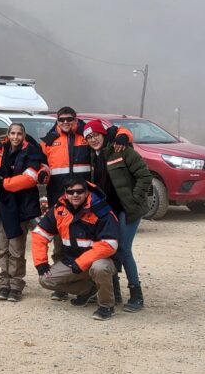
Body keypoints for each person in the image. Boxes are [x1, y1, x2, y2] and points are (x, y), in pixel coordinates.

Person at [30, 176, 121, 320]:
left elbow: (109, 244)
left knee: (99, 268)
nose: (75, 195)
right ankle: (89, 289)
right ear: (65, 193)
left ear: (86, 192)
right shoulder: (59, 209)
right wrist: (40, 262)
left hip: (100, 260)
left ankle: (106, 306)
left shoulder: (101, 210)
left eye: (79, 191)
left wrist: (82, 262)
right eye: (71, 192)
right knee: (46, 280)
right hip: (73, 261)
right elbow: (40, 234)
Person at [85, 120, 152, 312]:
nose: (93, 139)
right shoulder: (93, 157)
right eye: (89, 137)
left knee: (123, 249)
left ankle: (136, 294)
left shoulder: (121, 149)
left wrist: (134, 198)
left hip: (127, 209)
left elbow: (145, 176)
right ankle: (114, 293)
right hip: (108, 212)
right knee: (109, 248)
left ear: (103, 134)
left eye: (96, 134)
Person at [0, 122, 47, 302]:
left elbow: (29, 179)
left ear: (24, 135)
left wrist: (3, 183)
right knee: (2, 249)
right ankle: (4, 283)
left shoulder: (32, 152)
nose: (15, 137)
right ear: (8, 134)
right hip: (1, 207)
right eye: (12, 133)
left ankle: (16, 285)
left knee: (16, 250)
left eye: (19, 134)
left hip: (21, 208)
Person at [39, 106, 91, 300]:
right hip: (59, 201)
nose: (66, 122)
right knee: (60, 245)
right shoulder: (49, 141)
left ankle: (86, 286)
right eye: (62, 119)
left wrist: (123, 136)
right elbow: (40, 164)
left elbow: (115, 132)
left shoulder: (86, 135)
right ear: (57, 121)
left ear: (75, 119)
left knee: (85, 245)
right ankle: (61, 286)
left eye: (70, 119)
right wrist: (42, 173)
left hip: (85, 202)